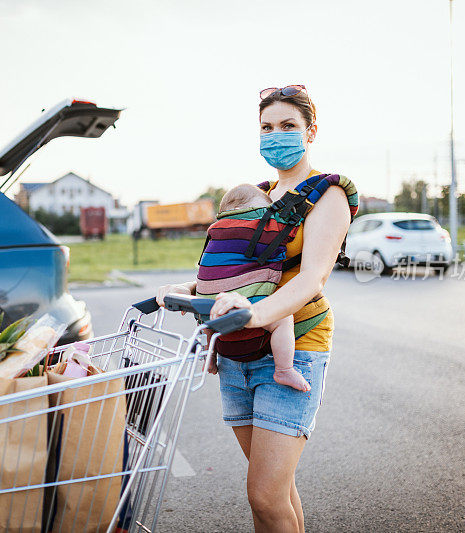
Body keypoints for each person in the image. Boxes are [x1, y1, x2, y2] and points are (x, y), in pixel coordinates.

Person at [156, 84, 358, 532]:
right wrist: (189, 287)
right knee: (274, 494)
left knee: (263, 495)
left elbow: (311, 278)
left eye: (288, 125)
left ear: (311, 131)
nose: (275, 134)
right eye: (267, 126)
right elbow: (234, 271)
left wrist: (253, 313)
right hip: (239, 348)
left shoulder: (327, 194)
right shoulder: (254, 195)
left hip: (294, 345)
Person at [197, 183, 310, 392]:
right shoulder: (252, 229)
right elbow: (282, 234)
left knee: (211, 323)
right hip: (238, 304)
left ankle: (209, 356)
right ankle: (284, 369)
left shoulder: (216, 231)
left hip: (209, 306)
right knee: (283, 317)